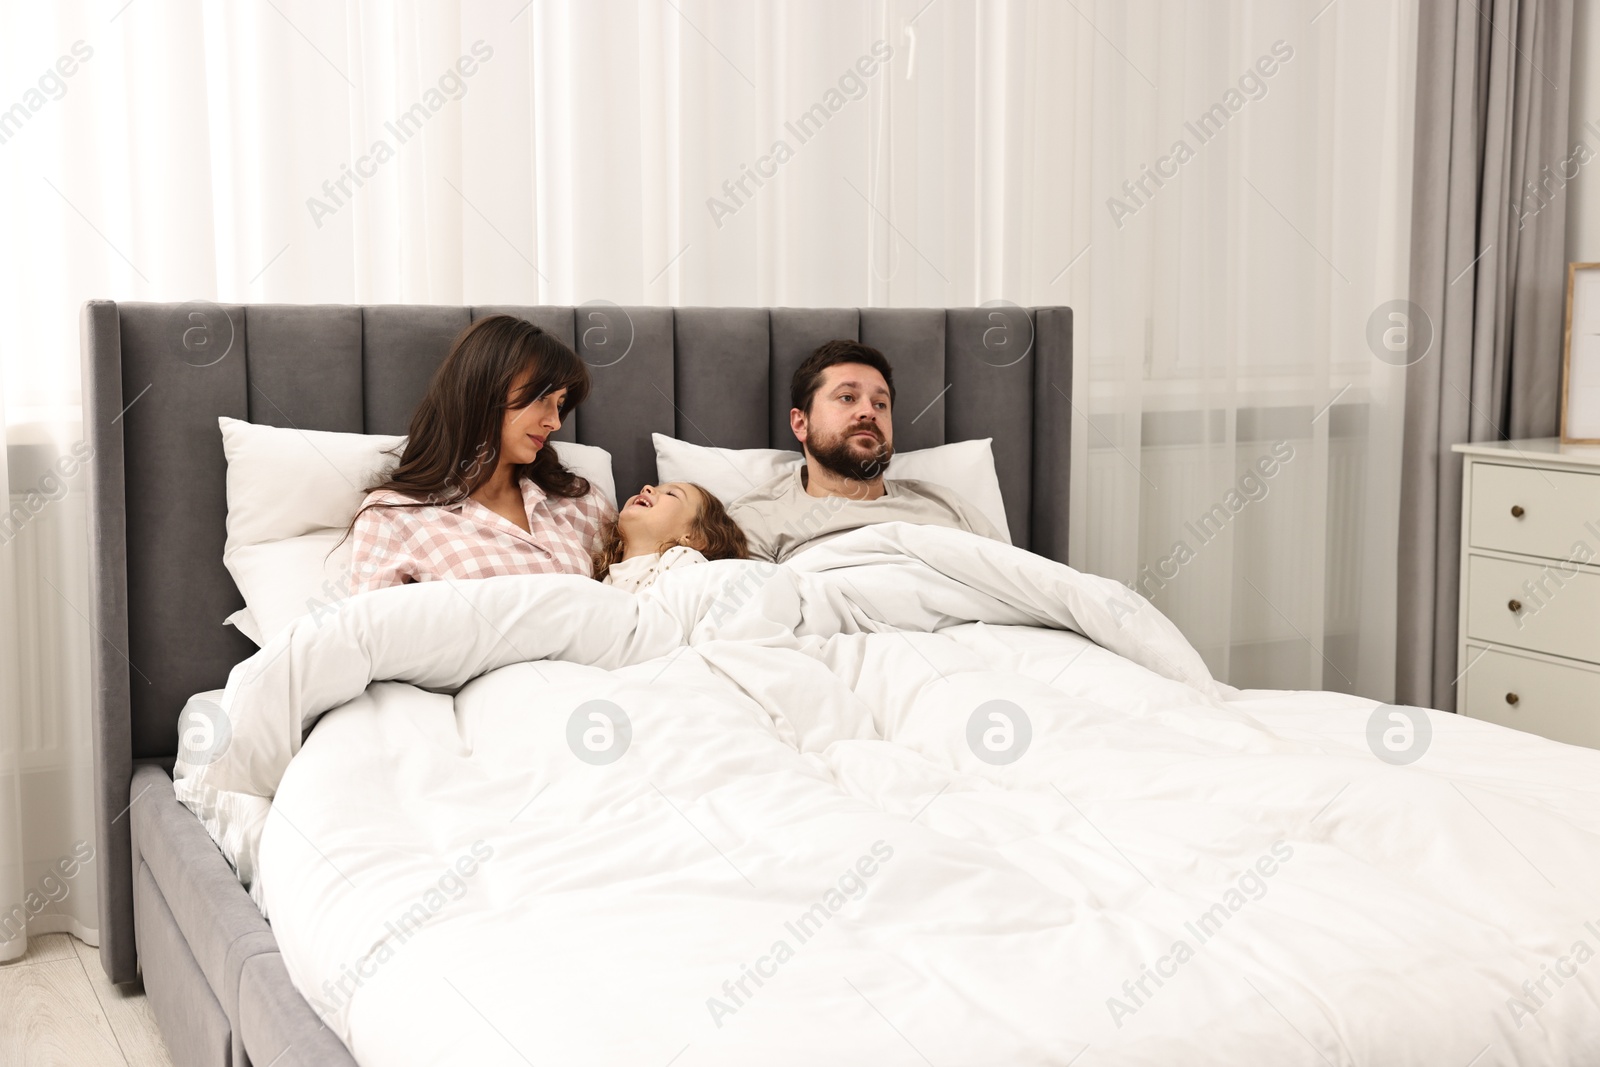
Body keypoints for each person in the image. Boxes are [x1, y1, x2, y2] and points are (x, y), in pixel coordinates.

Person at [345, 314, 615, 592]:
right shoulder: (395, 515)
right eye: (540, 398)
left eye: (559, 404)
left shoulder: (580, 500)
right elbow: (374, 629)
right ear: (483, 392)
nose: (554, 422)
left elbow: (639, 593)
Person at [727, 339, 1002, 562]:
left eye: (880, 404)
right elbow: (754, 621)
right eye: (847, 397)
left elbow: (1021, 583)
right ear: (801, 423)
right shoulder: (758, 519)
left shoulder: (949, 509)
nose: (868, 412)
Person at [591, 481, 749, 591]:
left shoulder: (682, 559)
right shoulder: (607, 580)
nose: (646, 487)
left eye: (671, 494)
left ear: (696, 537)